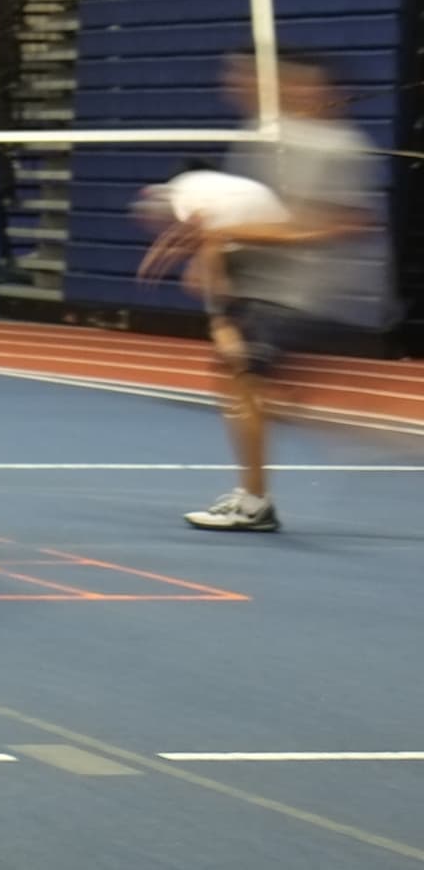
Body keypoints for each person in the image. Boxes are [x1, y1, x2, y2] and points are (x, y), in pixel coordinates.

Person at [142, 52, 391, 533]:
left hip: (309, 289)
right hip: (265, 285)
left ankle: (255, 502)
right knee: (249, 383)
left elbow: (339, 223)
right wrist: (210, 252)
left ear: (313, 88)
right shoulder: (265, 138)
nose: (243, 82)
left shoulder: (335, 148)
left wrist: (226, 239)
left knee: (243, 376)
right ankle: (344, 444)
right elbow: (245, 216)